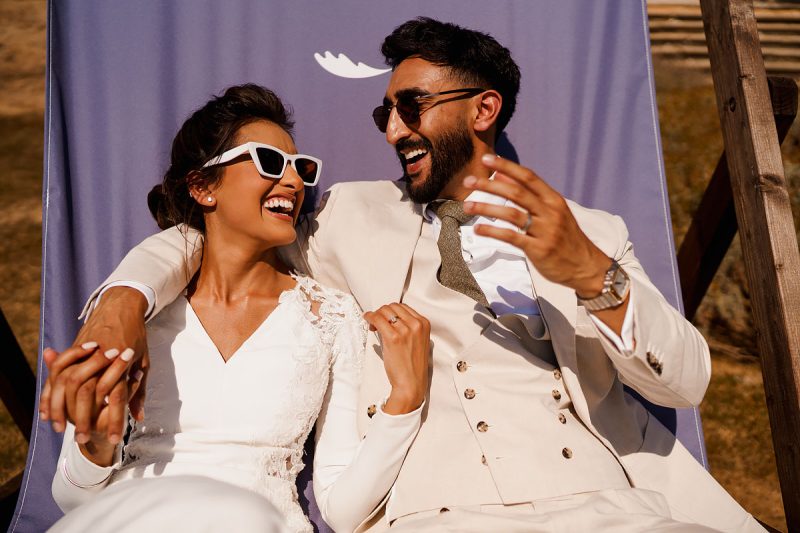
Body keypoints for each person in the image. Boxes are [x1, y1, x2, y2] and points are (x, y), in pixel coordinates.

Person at [41, 18, 765, 533]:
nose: (391, 129)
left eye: (411, 106)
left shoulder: (593, 232)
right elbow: (211, 237)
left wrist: (591, 274)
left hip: (606, 501)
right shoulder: (339, 217)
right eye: (384, 110)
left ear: (485, 108)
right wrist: (123, 300)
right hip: (434, 513)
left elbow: (688, 382)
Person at [41, 84, 430, 533]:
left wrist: (403, 402)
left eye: (299, 167)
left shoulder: (331, 318)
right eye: (269, 161)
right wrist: (92, 442)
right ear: (203, 186)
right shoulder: (139, 314)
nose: (293, 181)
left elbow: (342, 510)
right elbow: (72, 499)